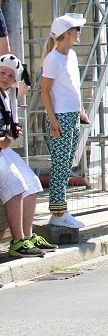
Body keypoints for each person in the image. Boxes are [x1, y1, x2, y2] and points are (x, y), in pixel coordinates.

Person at [0, 55, 57, 257]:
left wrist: (10, 136)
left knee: (32, 182)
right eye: (2, 72)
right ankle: (16, 242)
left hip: (4, 148)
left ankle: (27, 236)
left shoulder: (7, 95)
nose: (5, 77)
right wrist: (8, 139)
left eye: (10, 75)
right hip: (2, 147)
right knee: (16, 185)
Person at [41, 13, 89, 229]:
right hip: (60, 116)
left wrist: (80, 110)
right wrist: (53, 121)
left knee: (66, 164)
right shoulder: (53, 58)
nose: (79, 32)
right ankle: (58, 212)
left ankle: (61, 211)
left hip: (70, 115)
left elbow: (72, 87)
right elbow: (45, 92)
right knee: (60, 166)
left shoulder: (70, 56)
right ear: (67, 32)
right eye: (76, 29)